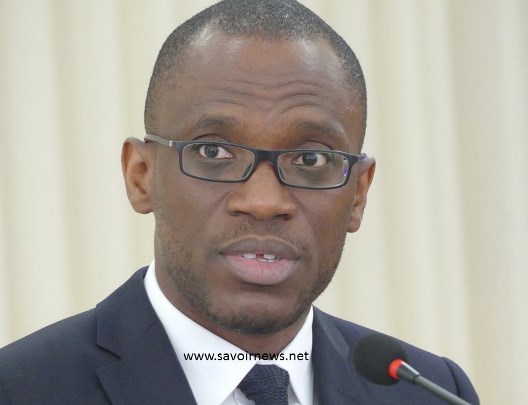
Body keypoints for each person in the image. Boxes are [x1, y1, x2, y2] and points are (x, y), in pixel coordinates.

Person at [0, 1, 479, 404]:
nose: (264, 202)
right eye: (213, 152)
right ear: (141, 176)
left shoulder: (429, 393)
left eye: (311, 159)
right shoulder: (21, 389)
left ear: (358, 194)